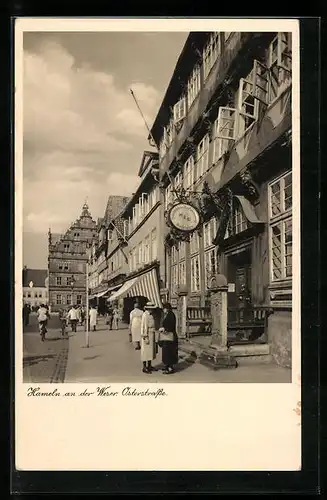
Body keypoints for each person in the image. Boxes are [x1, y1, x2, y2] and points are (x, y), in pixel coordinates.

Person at [158, 302, 179, 374]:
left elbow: (171, 326)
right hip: (166, 337)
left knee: (170, 353)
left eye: (164, 308)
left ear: (167, 308)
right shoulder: (167, 315)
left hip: (170, 337)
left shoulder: (171, 315)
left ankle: (170, 368)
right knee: (166, 352)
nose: (163, 310)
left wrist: (164, 329)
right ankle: (167, 366)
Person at [140, 301, 158, 374]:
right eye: (150, 308)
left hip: (152, 333)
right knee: (145, 352)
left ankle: (149, 365)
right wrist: (145, 336)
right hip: (147, 334)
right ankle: (144, 367)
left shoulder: (151, 315)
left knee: (151, 351)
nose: (152, 310)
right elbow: (143, 326)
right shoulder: (145, 315)